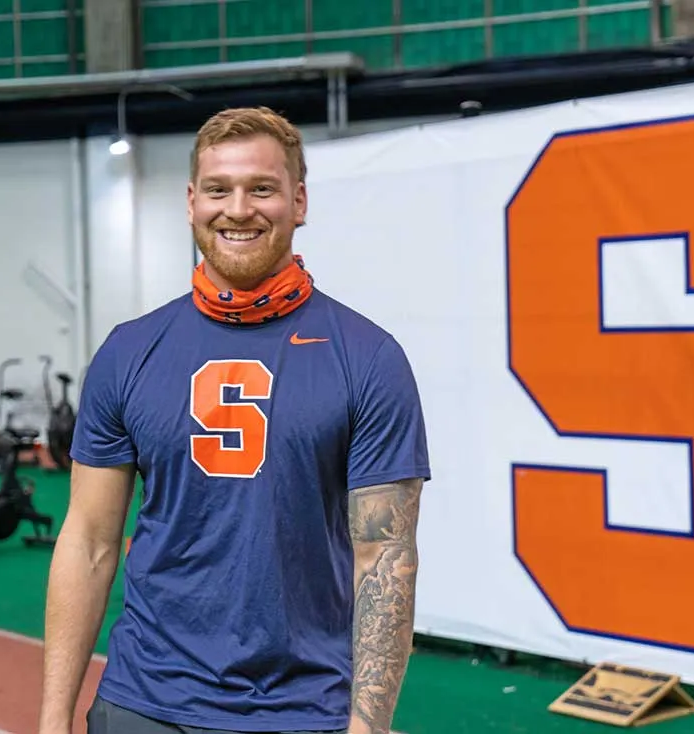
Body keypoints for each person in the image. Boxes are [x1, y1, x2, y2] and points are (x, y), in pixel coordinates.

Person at [38, 106, 431, 734]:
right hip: (143, 702)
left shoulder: (368, 358)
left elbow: (384, 556)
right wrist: (53, 719)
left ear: (299, 202)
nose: (239, 209)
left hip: (301, 711)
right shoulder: (129, 351)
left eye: (263, 189)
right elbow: (88, 542)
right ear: (192, 201)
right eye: (219, 189)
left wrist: (369, 726)